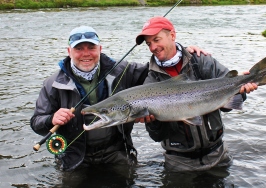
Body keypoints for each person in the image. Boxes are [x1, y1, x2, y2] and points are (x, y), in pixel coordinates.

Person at [30, 25, 205, 171]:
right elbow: (36, 122)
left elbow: (159, 70)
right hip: (75, 159)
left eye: (91, 48)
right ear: (69, 51)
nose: (86, 54)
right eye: (78, 49)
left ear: (100, 49)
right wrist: (51, 119)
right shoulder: (52, 84)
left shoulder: (123, 70)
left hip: (117, 154)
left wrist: (182, 53)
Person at [135, 16, 258, 172]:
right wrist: (153, 122)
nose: (153, 47)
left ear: (172, 35)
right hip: (178, 163)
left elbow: (227, 107)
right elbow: (157, 136)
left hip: (218, 156)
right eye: (149, 43)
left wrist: (242, 91)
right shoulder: (152, 81)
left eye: (157, 40)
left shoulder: (201, 61)